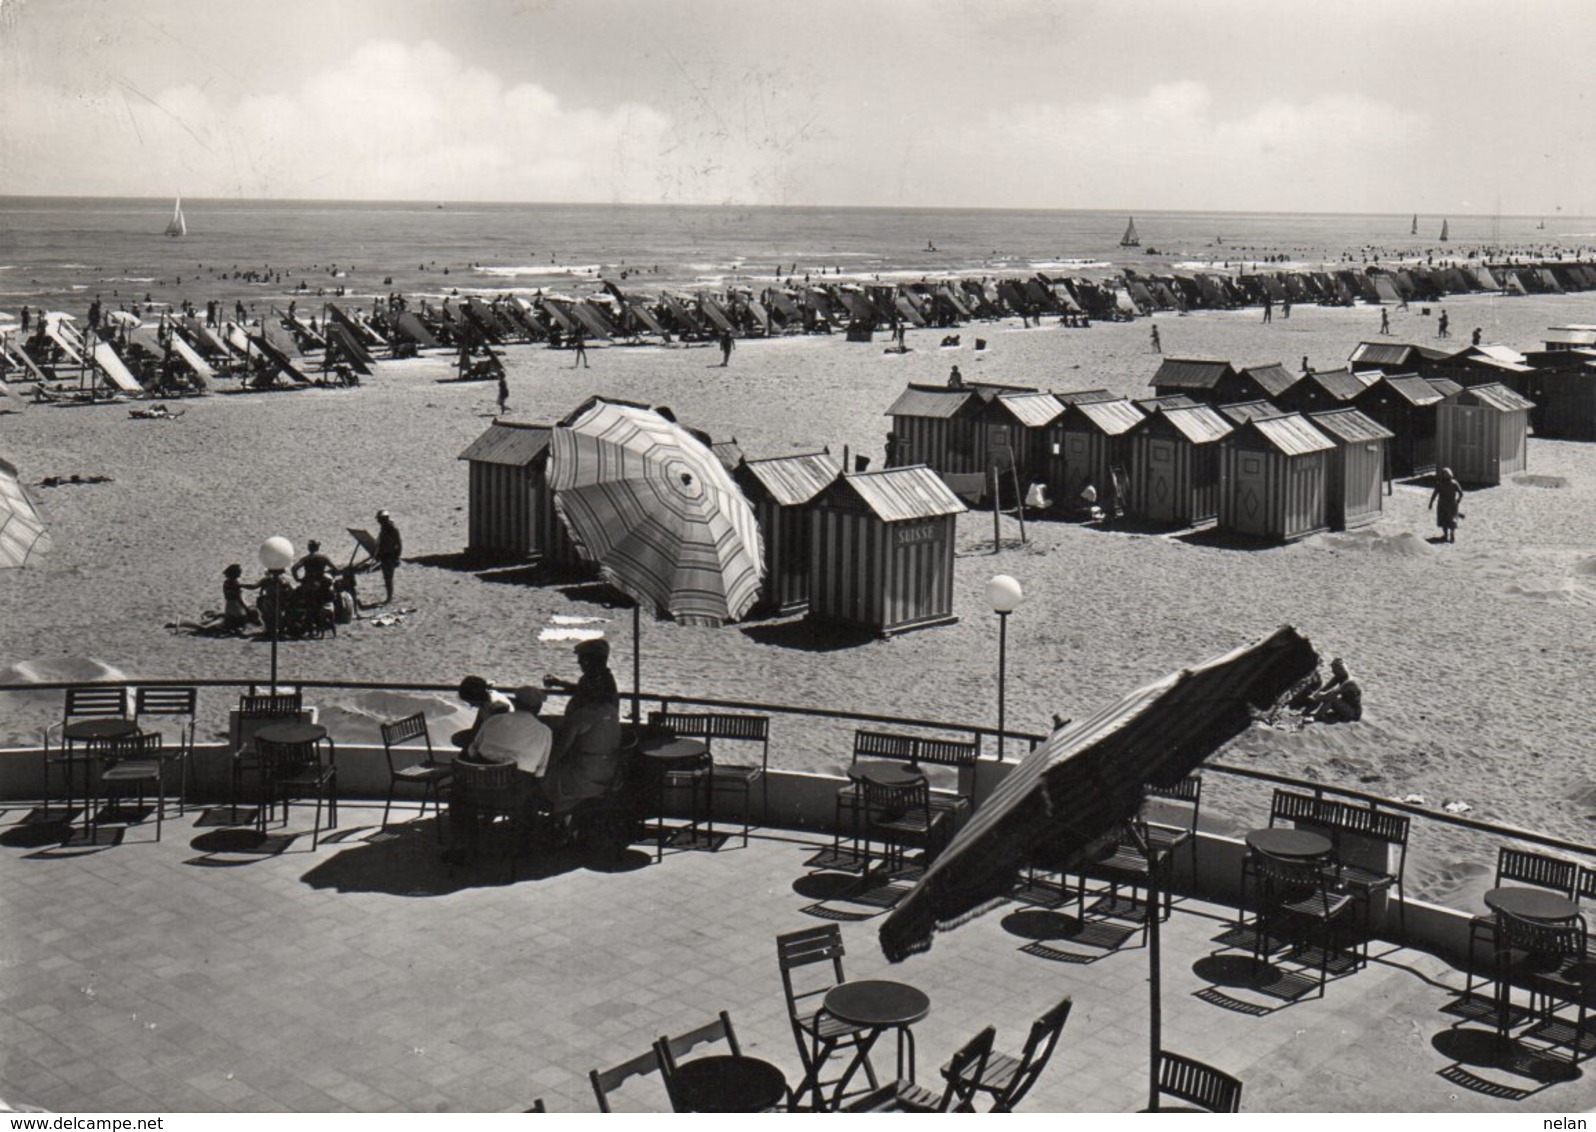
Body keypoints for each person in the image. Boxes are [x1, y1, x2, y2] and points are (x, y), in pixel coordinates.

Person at [539, 640, 624, 816]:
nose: (579, 663)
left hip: (584, 774)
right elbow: (583, 689)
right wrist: (561, 683)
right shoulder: (605, 686)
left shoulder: (584, 714)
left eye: (582, 660)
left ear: (590, 661)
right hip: (606, 768)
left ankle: (557, 818)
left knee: (541, 774)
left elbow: (561, 749)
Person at [1307, 658, 1363, 723]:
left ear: (1340, 669)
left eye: (1334, 669)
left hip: (1353, 712)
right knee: (1323, 696)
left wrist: (1318, 696)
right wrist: (1317, 695)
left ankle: (1315, 718)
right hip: (1345, 704)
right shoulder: (1339, 676)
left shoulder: (1349, 682)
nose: (1332, 671)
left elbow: (1333, 693)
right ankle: (1306, 712)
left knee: (1331, 699)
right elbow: (1325, 688)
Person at [1428, 467, 1465, 543]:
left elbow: (1434, 494)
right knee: (1451, 520)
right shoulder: (1454, 483)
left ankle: (1445, 535)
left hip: (1442, 504)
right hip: (1452, 504)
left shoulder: (1439, 484)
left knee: (1443, 520)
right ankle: (1452, 534)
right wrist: (1458, 501)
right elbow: (1461, 493)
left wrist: (1431, 503)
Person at [375, 510, 402, 603]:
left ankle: (389, 597)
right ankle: (389, 596)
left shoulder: (393, 529)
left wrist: (397, 557)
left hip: (390, 556)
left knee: (388, 577)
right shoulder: (383, 528)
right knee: (386, 577)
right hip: (384, 555)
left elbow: (398, 544)